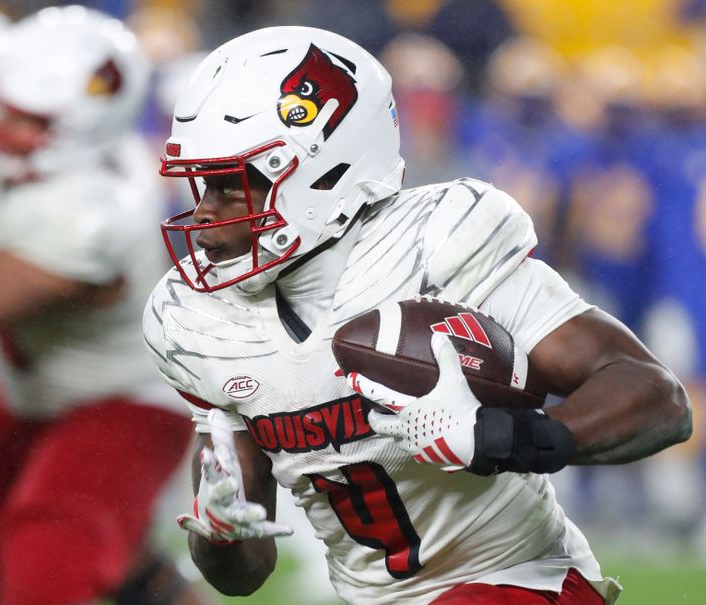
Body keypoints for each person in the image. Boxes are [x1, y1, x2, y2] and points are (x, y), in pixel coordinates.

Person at [142, 26, 692, 605]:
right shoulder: (195, 321)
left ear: (321, 170)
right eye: (202, 185)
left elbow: (658, 398)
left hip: (518, 580)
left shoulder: (439, 247)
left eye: (231, 187)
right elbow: (244, 573)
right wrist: (219, 536)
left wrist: (504, 437)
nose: (204, 215)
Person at [0, 6, 205, 605]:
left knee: (50, 553)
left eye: (26, 120)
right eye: (1, 105)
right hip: (29, 392)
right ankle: (144, 576)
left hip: (127, 399)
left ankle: (141, 576)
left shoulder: (94, 212)